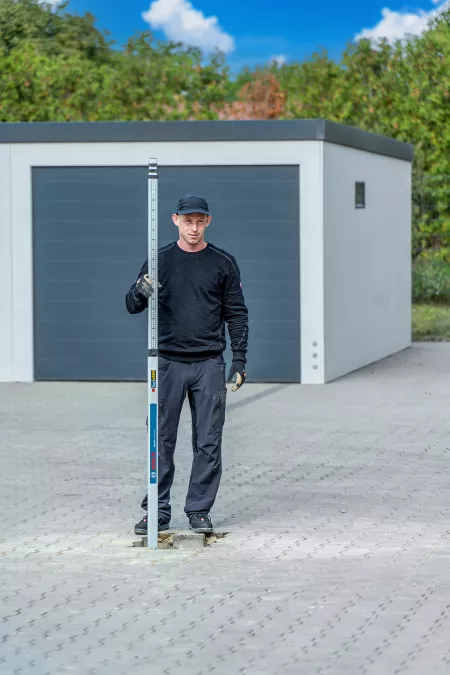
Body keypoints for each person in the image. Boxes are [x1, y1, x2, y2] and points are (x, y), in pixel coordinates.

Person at [125, 194, 249, 534]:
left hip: (209, 363)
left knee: (208, 440)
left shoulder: (223, 262)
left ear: (207, 222)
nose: (193, 227)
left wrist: (239, 360)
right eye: (187, 220)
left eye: (199, 221)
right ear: (175, 220)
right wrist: (141, 291)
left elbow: (236, 314)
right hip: (167, 363)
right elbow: (131, 303)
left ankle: (198, 510)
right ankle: (157, 511)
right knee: (160, 438)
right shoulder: (159, 259)